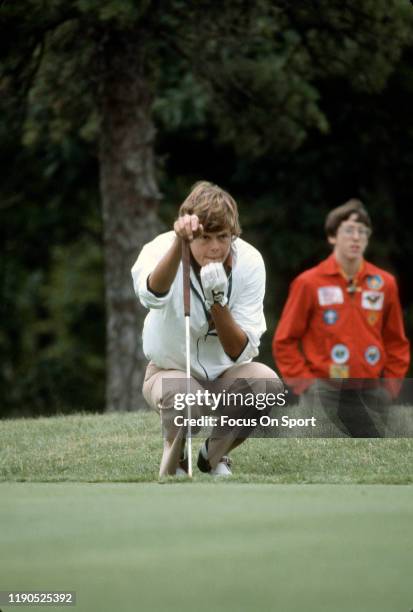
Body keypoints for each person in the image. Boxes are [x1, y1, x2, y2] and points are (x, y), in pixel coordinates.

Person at [132, 181, 281, 477]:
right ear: (190, 235)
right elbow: (150, 295)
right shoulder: (160, 248)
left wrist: (217, 301)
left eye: (223, 237)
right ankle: (176, 456)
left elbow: (240, 349)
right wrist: (179, 244)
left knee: (269, 385)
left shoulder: (250, 263)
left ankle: (212, 456)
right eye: (205, 237)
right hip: (169, 371)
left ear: (233, 234)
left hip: (226, 374)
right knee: (187, 396)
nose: (214, 247)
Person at [272, 199, 410, 437]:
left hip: (371, 390)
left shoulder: (384, 283)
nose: (356, 237)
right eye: (348, 230)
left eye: (363, 231)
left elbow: (396, 341)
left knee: (374, 461)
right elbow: (284, 341)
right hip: (324, 390)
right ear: (332, 237)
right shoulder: (309, 282)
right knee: (320, 462)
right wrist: (306, 384)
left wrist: (390, 386)